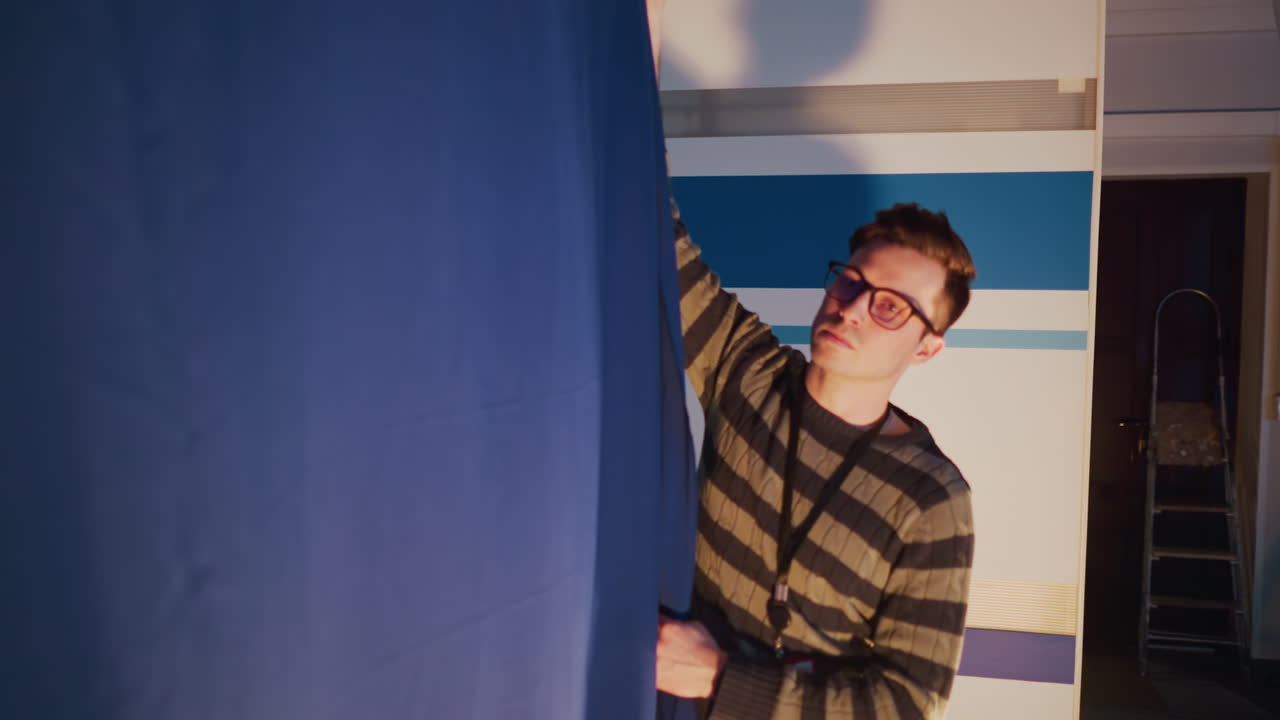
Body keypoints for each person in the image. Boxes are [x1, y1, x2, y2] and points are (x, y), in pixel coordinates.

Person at [654, 200, 977, 720]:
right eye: (850, 282)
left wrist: (720, 678)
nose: (850, 309)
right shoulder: (749, 371)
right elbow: (663, 252)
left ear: (926, 349)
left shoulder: (932, 499)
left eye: (890, 307)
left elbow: (907, 707)